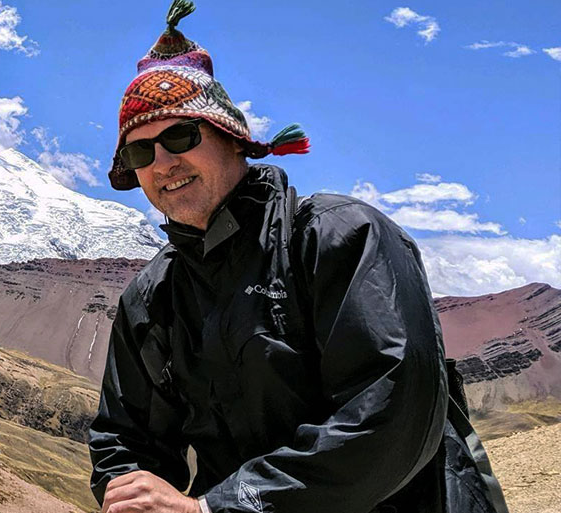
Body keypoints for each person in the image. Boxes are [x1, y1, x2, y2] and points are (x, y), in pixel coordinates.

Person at [87, 1, 510, 512]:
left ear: (232, 138)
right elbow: (125, 440)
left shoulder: (341, 239)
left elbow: (390, 414)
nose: (162, 162)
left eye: (180, 135)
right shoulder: (151, 300)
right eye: (139, 152)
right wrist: (133, 497)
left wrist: (213, 508)